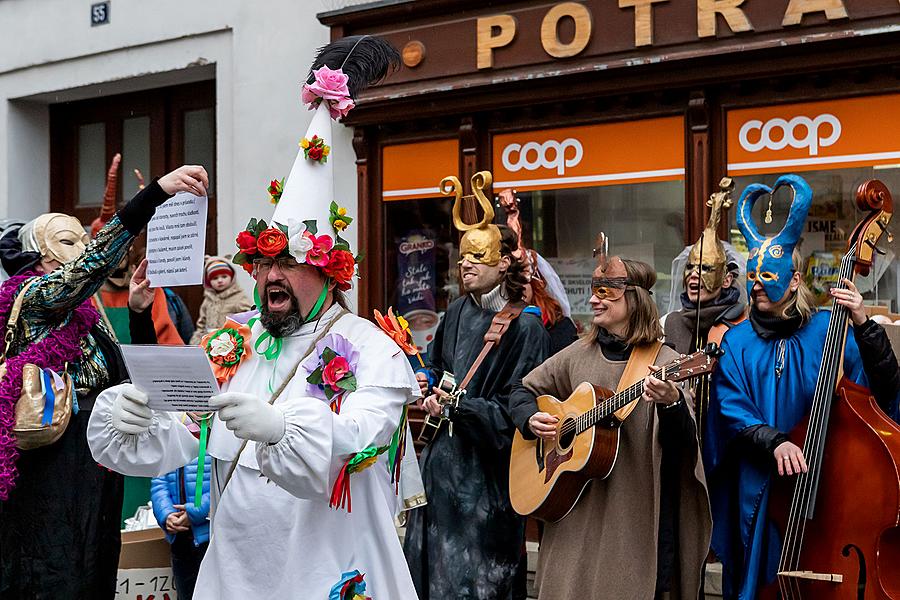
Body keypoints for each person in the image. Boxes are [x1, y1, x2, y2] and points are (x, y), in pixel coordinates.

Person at [87, 36, 423, 598]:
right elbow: (181, 436)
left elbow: (364, 434)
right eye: (263, 263)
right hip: (237, 576)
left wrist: (283, 429)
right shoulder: (235, 340)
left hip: (327, 574)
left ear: (330, 272)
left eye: (288, 263)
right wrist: (136, 417)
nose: (271, 276)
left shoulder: (369, 347)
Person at [0, 164, 209, 599]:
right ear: (38, 257)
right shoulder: (33, 299)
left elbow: (133, 378)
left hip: (98, 465)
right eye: (66, 240)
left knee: (95, 569)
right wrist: (156, 194)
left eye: (82, 237)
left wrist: (138, 311)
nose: (81, 247)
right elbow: (95, 261)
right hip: (51, 471)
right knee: (52, 574)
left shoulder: (89, 315)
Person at [703, 174, 900, 599]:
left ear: (794, 279)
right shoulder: (735, 341)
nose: (756, 284)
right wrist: (774, 442)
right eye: (752, 276)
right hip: (763, 488)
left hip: (827, 483)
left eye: (767, 275)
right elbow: (729, 406)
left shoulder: (831, 328)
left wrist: (864, 324)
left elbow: (882, 392)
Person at [509, 238, 712, 600]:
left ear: (633, 298)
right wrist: (530, 419)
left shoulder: (665, 362)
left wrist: (670, 404)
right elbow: (521, 389)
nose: (592, 300)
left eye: (605, 291)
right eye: (593, 290)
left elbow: (684, 451)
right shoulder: (576, 353)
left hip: (630, 516)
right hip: (574, 514)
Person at [403, 172, 550, 600]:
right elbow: (437, 366)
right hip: (440, 470)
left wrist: (459, 406)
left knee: (477, 583)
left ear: (504, 263)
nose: (465, 264)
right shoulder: (455, 313)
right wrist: (425, 380)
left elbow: (516, 411)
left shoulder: (526, 328)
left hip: (486, 483)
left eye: (478, 258)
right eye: (463, 257)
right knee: (426, 578)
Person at [662, 178, 746, 449]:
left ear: (726, 280)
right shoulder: (669, 323)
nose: (693, 275)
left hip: (725, 441)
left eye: (706, 269)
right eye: (690, 268)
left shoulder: (741, 326)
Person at [92, 153, 185, 346]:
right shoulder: (86, 293)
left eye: (120, 246)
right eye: (106, 247)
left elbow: (169, 345)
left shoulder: (148, 287)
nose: (115, 254)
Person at [150, 431, 211, 600]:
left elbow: (224, 482)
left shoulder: (218, 434)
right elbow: (158, 481)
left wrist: (195, 512)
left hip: (210, 537)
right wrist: (166, 514)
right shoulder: (172, 433)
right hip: (180, 537)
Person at [189, 256, 252, 345]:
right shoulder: (208, 300)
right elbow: (201, 323)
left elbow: (248, 319)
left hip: (231, 342)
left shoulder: (239, 298)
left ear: (231, 277)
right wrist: (197, 340)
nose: (220, 280)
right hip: (210, 342)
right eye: (215, 278)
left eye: (224, 276)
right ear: (208, 281)